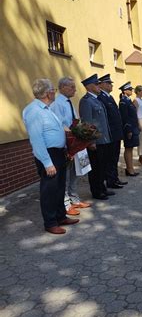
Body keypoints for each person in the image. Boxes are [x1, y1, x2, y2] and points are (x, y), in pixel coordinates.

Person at [22, 78, 79, 234]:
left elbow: (61, 128)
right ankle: (50, 222)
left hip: (58, 153)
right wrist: (47, 163)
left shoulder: (47, 109)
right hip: (48, 155)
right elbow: (37, 139)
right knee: (49, 190)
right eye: (53, 89)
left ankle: (61, 216)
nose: (55, 92)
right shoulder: (34, 110)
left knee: (60, 187)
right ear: (47, 93)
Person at [50, 76, 91, 216]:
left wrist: (82, 133)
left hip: (75, 142)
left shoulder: (69, 102)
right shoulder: (57, 103)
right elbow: (60, 124)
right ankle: (65, 203)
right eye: (71, 87)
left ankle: (74, 198)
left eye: (74, 86)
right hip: (66, 143)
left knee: (75, 172)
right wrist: (73, 135)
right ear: (62, 88)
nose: (74, 89)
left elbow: (74, 121)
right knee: (66, 175)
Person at [79, 74, 114, 200]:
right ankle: (97, 191)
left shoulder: (96, 100)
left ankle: (102, 188)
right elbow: (87, 123)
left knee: (102, 166)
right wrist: (91, 141)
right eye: (96, 84)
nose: (99, 86)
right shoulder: (86, 101)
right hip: (96, 142)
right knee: (96, 168)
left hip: (103, 139)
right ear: (89, 86)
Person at [97, 74, 128, 189]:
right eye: (109, 83)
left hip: (116, 133)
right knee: (110, 159)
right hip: (110, 134)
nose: (111, 86)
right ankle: (111, 180)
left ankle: (114, 178)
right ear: (102, 85)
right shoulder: (101, 98)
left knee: (114, 158)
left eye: (111, 83)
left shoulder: (109, 97)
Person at [119, 82, 140, 176]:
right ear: (124, 91)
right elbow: (125, 117)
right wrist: (128, 130)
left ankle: (130, 168)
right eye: (130, 89)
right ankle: (129, 169)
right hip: (129, 129)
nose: (131, 91)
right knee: (128, 148)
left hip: (133, 128)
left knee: (131, 148)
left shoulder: (128, 100)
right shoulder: (123, 101)